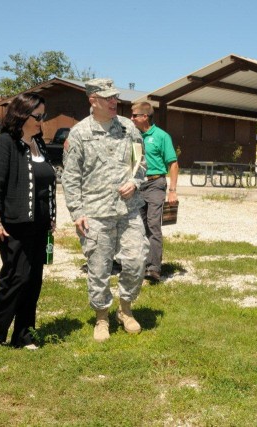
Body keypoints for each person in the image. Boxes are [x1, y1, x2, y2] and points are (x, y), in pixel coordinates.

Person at [62, 78, 149, 342]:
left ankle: (125, 309)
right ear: (93, 100)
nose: (115, 102)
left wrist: (134, 182)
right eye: (108, 98)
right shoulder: (79, 133)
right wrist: (77, 213)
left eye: (115, 97)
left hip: (129, 210)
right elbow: (70, 176)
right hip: (95, 213)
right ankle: (101, 318)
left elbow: (140, 162)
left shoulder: (128, 129)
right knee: (99, 268)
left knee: (137, 259)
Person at [0, 92, 56, 350]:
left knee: (34, 280)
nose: (41, 121)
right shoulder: (3, 144)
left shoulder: (39, 144)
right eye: (38, 116)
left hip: (39, 225)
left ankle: (24, 335)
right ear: (22, 115)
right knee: (17, 277)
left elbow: (47, 186)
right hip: (14, 224)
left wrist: (51, 217)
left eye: (43, 115)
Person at [130, 102, 179, 282]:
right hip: (137, 185)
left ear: (145, 117)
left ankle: (154, 268)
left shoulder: (161, 136)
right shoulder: (133, 136)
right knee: (138, 226)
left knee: (153, 224)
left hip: (156, 183)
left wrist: (172, 191)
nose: (131, 118)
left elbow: (173, 164)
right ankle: (141, 265)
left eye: (134, 115)